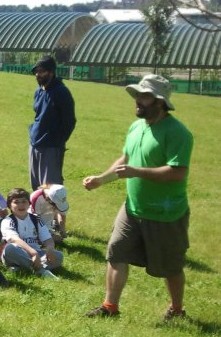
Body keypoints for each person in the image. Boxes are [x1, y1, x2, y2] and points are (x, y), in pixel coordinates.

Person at [83, 74, 193, 320]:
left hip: (165, 214)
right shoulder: (136, 127)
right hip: (133, 207)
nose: (138, 100)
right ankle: (110, 307)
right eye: (138, 95)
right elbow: (125, 160)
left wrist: (137, 172)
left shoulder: (177, 133)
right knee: (116, 251)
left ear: (159, 102)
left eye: (145, 96)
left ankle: (176, 310)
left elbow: (177, 172)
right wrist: (101, 179)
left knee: (170, 267)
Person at [29, 55, 76, 190]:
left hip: (51, 147)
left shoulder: (61, 92)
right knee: (36, 190)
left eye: (41, 71)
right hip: (35, 144)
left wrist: (57, 140)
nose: (38, 75)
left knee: (51, 190)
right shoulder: (39, 91)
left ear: (51, 72)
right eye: (36, 72)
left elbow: (70, 121)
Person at [1, 188, 62, 278]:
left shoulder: (36, 219)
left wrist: (50, 248)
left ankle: (22, 268)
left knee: (59, 255)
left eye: (24, 201)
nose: (21, 205)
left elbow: (47, 238)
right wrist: (33, 253)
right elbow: (14, 239)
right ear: (9, 205)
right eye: (16, 202)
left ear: (29, 204)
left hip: (36, 252)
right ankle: (41, 270)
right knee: (10, 248)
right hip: (17, 252)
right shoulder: (8, 221)